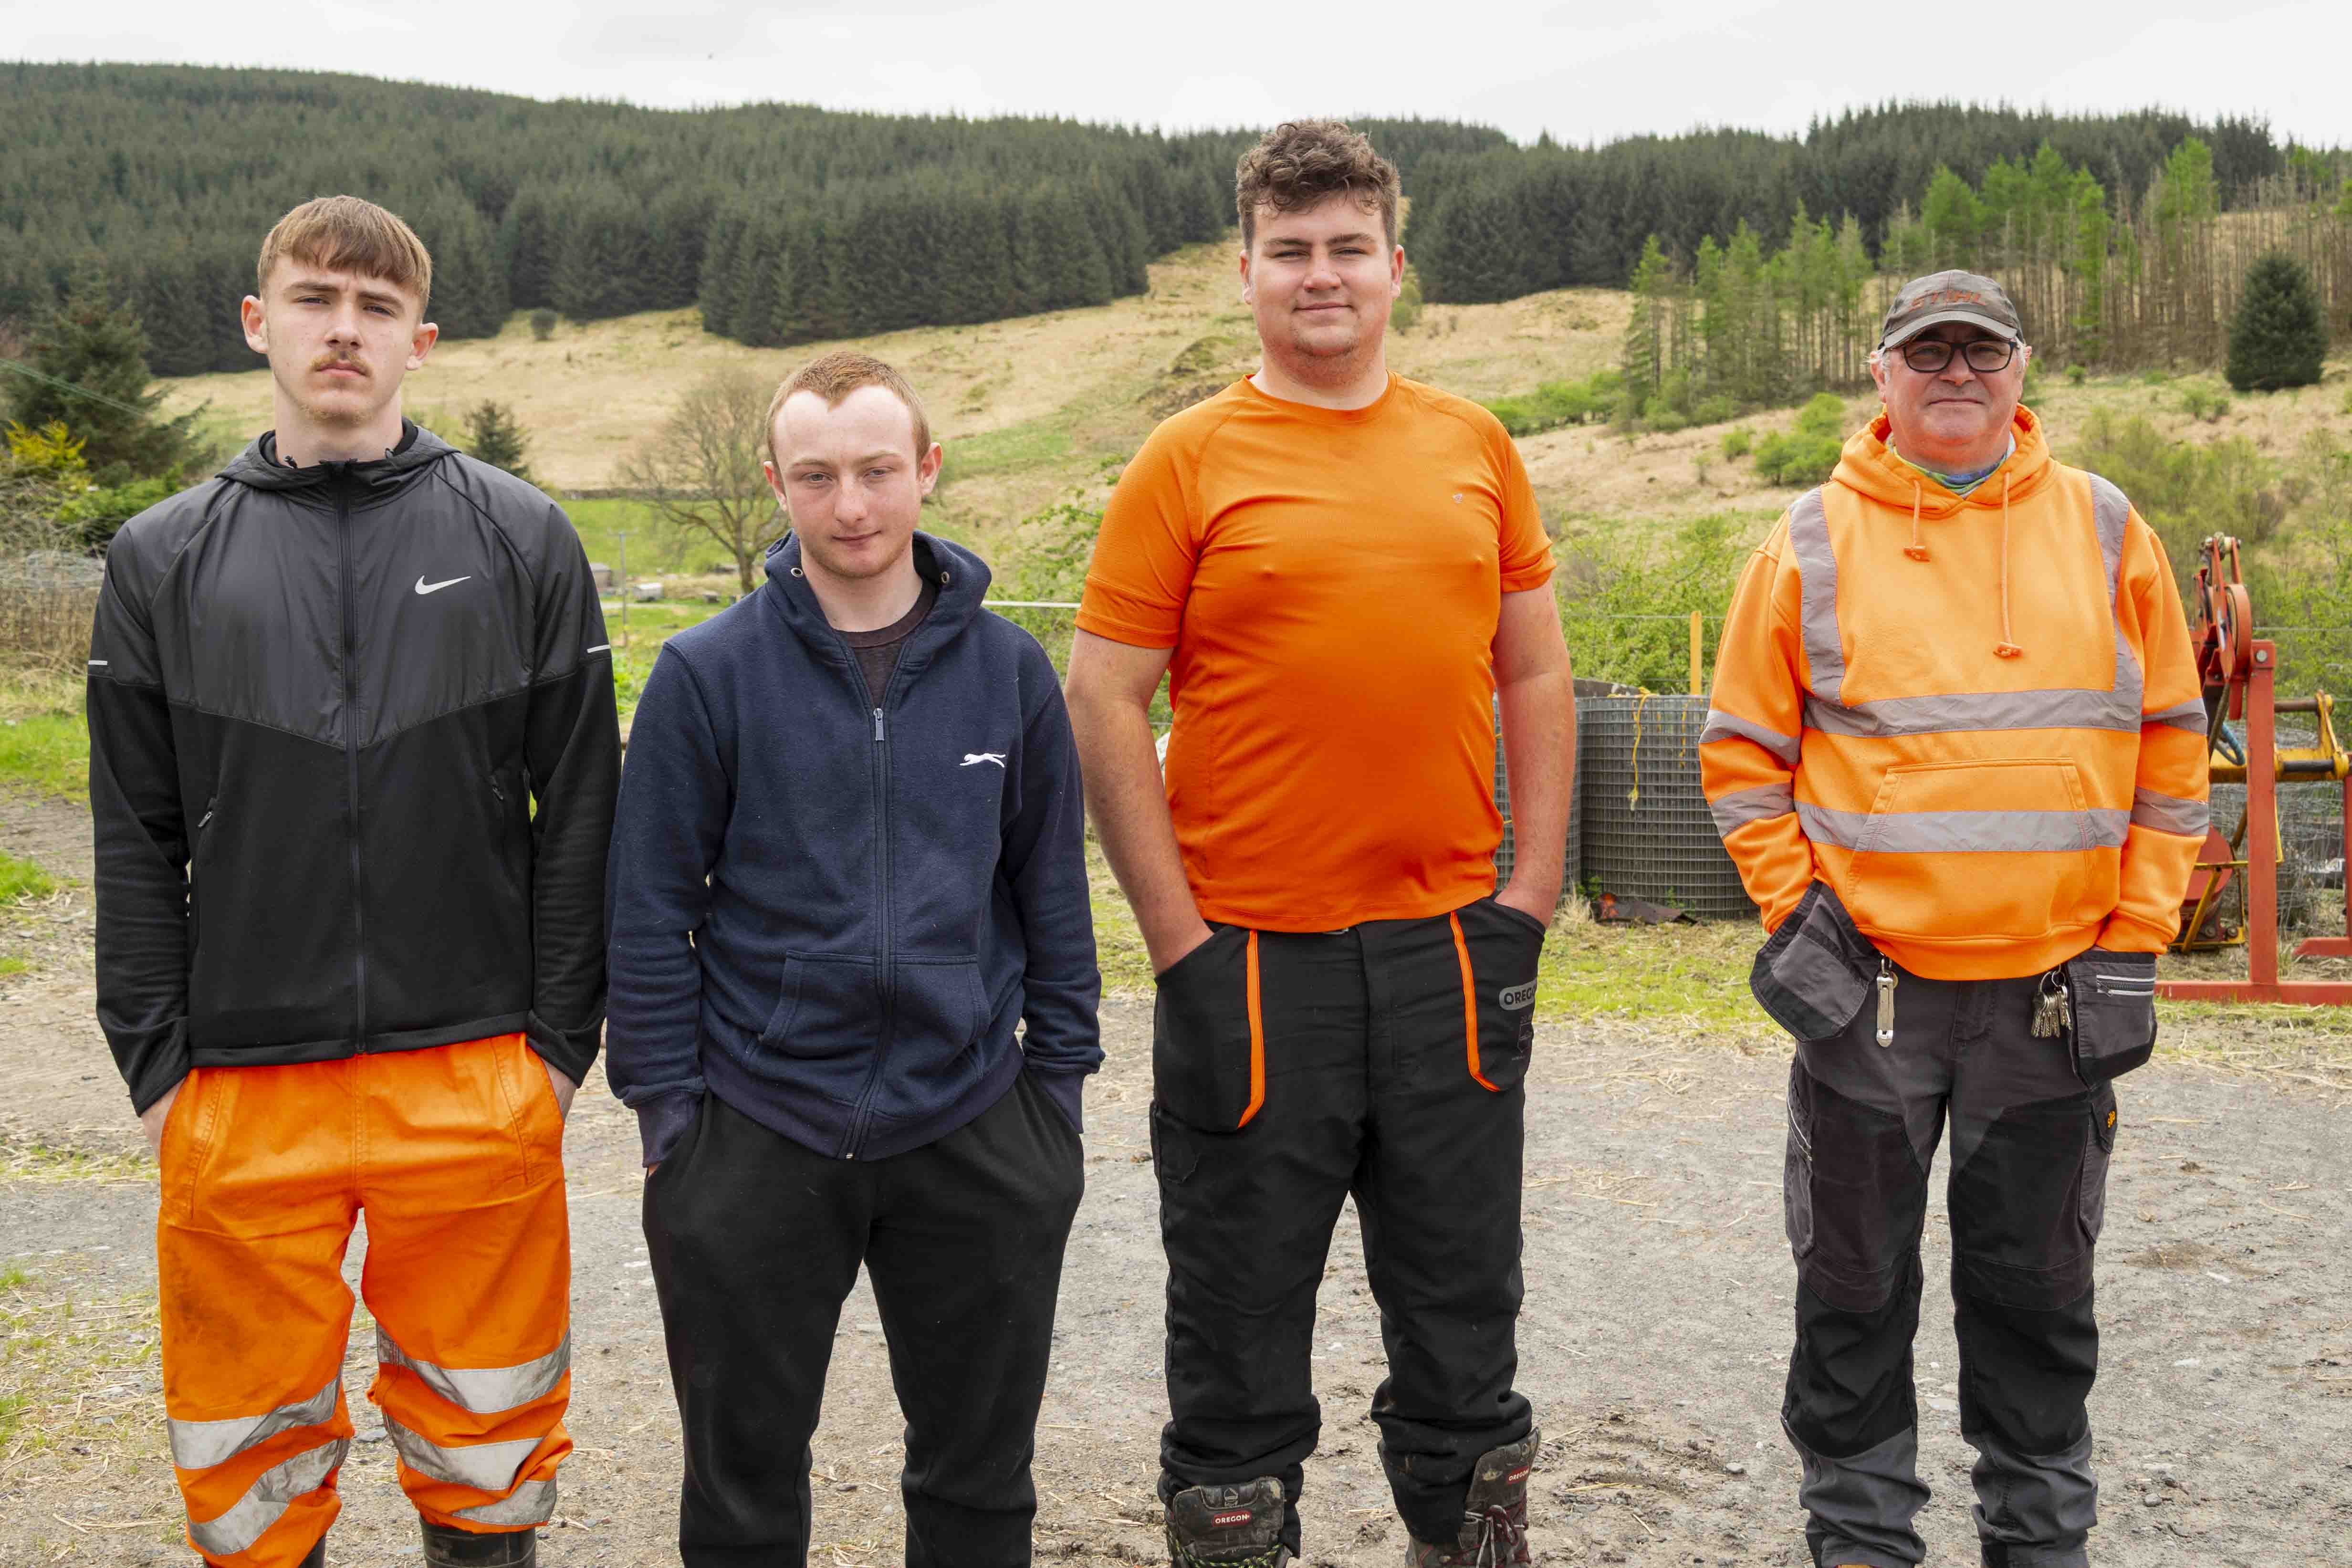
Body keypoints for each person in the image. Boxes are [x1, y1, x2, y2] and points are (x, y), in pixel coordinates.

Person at [1063, 121, 1574, 1568]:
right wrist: (1179, 945)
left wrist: (1526, 898)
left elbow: (1534, 673)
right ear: (1245, 273)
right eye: (1290, 252)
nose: (1321, 276)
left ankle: (1465, 1533)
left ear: (1395, 267)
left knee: (1465, 1311)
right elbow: (1100, 695)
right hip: (1251, 962)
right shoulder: (1189, 458)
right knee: (1234, 1320)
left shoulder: (1473, 446)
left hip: (1451, 955)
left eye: (1348, 247)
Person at [87, 196, 617, 1568]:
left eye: (376, 308)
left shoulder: (525, 538)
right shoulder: (159, 558)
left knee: (489, 1463)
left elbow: (582, 818)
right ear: (260, 323)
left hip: (477, 1065)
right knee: (252, 1482)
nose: (344, 330)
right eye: (316, 300)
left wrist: (557, 1049)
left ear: (419, 341)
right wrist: (157, 1066)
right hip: (242, 1086)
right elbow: (135, 834)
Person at [1701, 270, 2208, 1568]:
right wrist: (1794, 913)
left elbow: (2171, 744)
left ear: (2021, 369)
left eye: (1980, 350)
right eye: (1925, 351)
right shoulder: (1810, 538)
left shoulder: (2105, 528)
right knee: (1852, 1290)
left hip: (2053, 998)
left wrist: (2135, 941)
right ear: (1879, 375)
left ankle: (2038, 1539)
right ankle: (1860, 1538)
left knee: (2036, 1295)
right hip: (1868, 999)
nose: (1955, 372)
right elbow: (1742, 754)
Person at [606, 349, 1099, 1568]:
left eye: (879, 470)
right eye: (817, 476)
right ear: (776, 482)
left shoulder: (1009, 673)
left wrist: (1057, 1101)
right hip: (754, 1128)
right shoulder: (705, 674)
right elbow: (647, 910)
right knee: (741, 1487)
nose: (852, 506)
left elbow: (1050, 890)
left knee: (981, 1485)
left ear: (926, 470)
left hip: (975, 1120)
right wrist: (672, 1119)